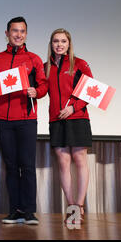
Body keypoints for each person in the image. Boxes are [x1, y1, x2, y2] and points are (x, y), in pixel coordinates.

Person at [0, 16, 47, 225]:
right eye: (14, 31)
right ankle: (14, 210)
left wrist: (37, 91)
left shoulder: (34, 58)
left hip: (27, 119)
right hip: (3, 120)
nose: (18, 35)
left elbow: (44, 85)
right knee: (11, 166)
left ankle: (29, 212)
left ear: (26, 34)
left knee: (28, 166)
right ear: (7, 33)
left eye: (22, 31)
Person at [45, 28, 92, 224]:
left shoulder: (79, 64)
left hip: (78, 118)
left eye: (63, 41)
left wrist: (73, 108)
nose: (59, 44)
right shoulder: (45, 66)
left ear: (69, 44)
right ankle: (71, 205)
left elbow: (90, 91)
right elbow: (41, 89)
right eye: (56, 41)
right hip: (56, 120)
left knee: (79, 159)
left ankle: (79, 206)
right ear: (51, 44)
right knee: (63, 163)